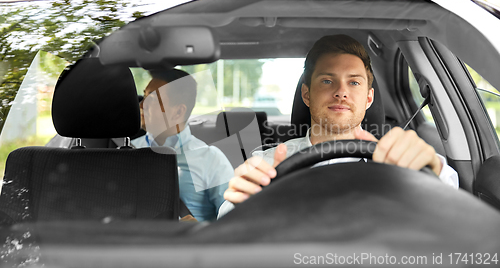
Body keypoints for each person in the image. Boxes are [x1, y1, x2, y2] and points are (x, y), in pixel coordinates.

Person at [220, 34, 458, 217]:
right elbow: (224, 236)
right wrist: (243, 206)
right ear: (306, 94)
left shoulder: (399, 162)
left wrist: (434, 169)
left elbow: (455, 213)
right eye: (327, 81)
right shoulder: (266, 165)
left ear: (368, 98)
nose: (341, 92)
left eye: (354, 82)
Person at [131, 69, 234, 222]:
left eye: (152, 99)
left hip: (188, 244)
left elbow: (234, 219)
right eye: (144, 96)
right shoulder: (128, 153)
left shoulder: (210, 159)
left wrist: (201, 229)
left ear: (178, 112)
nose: (141, 105)